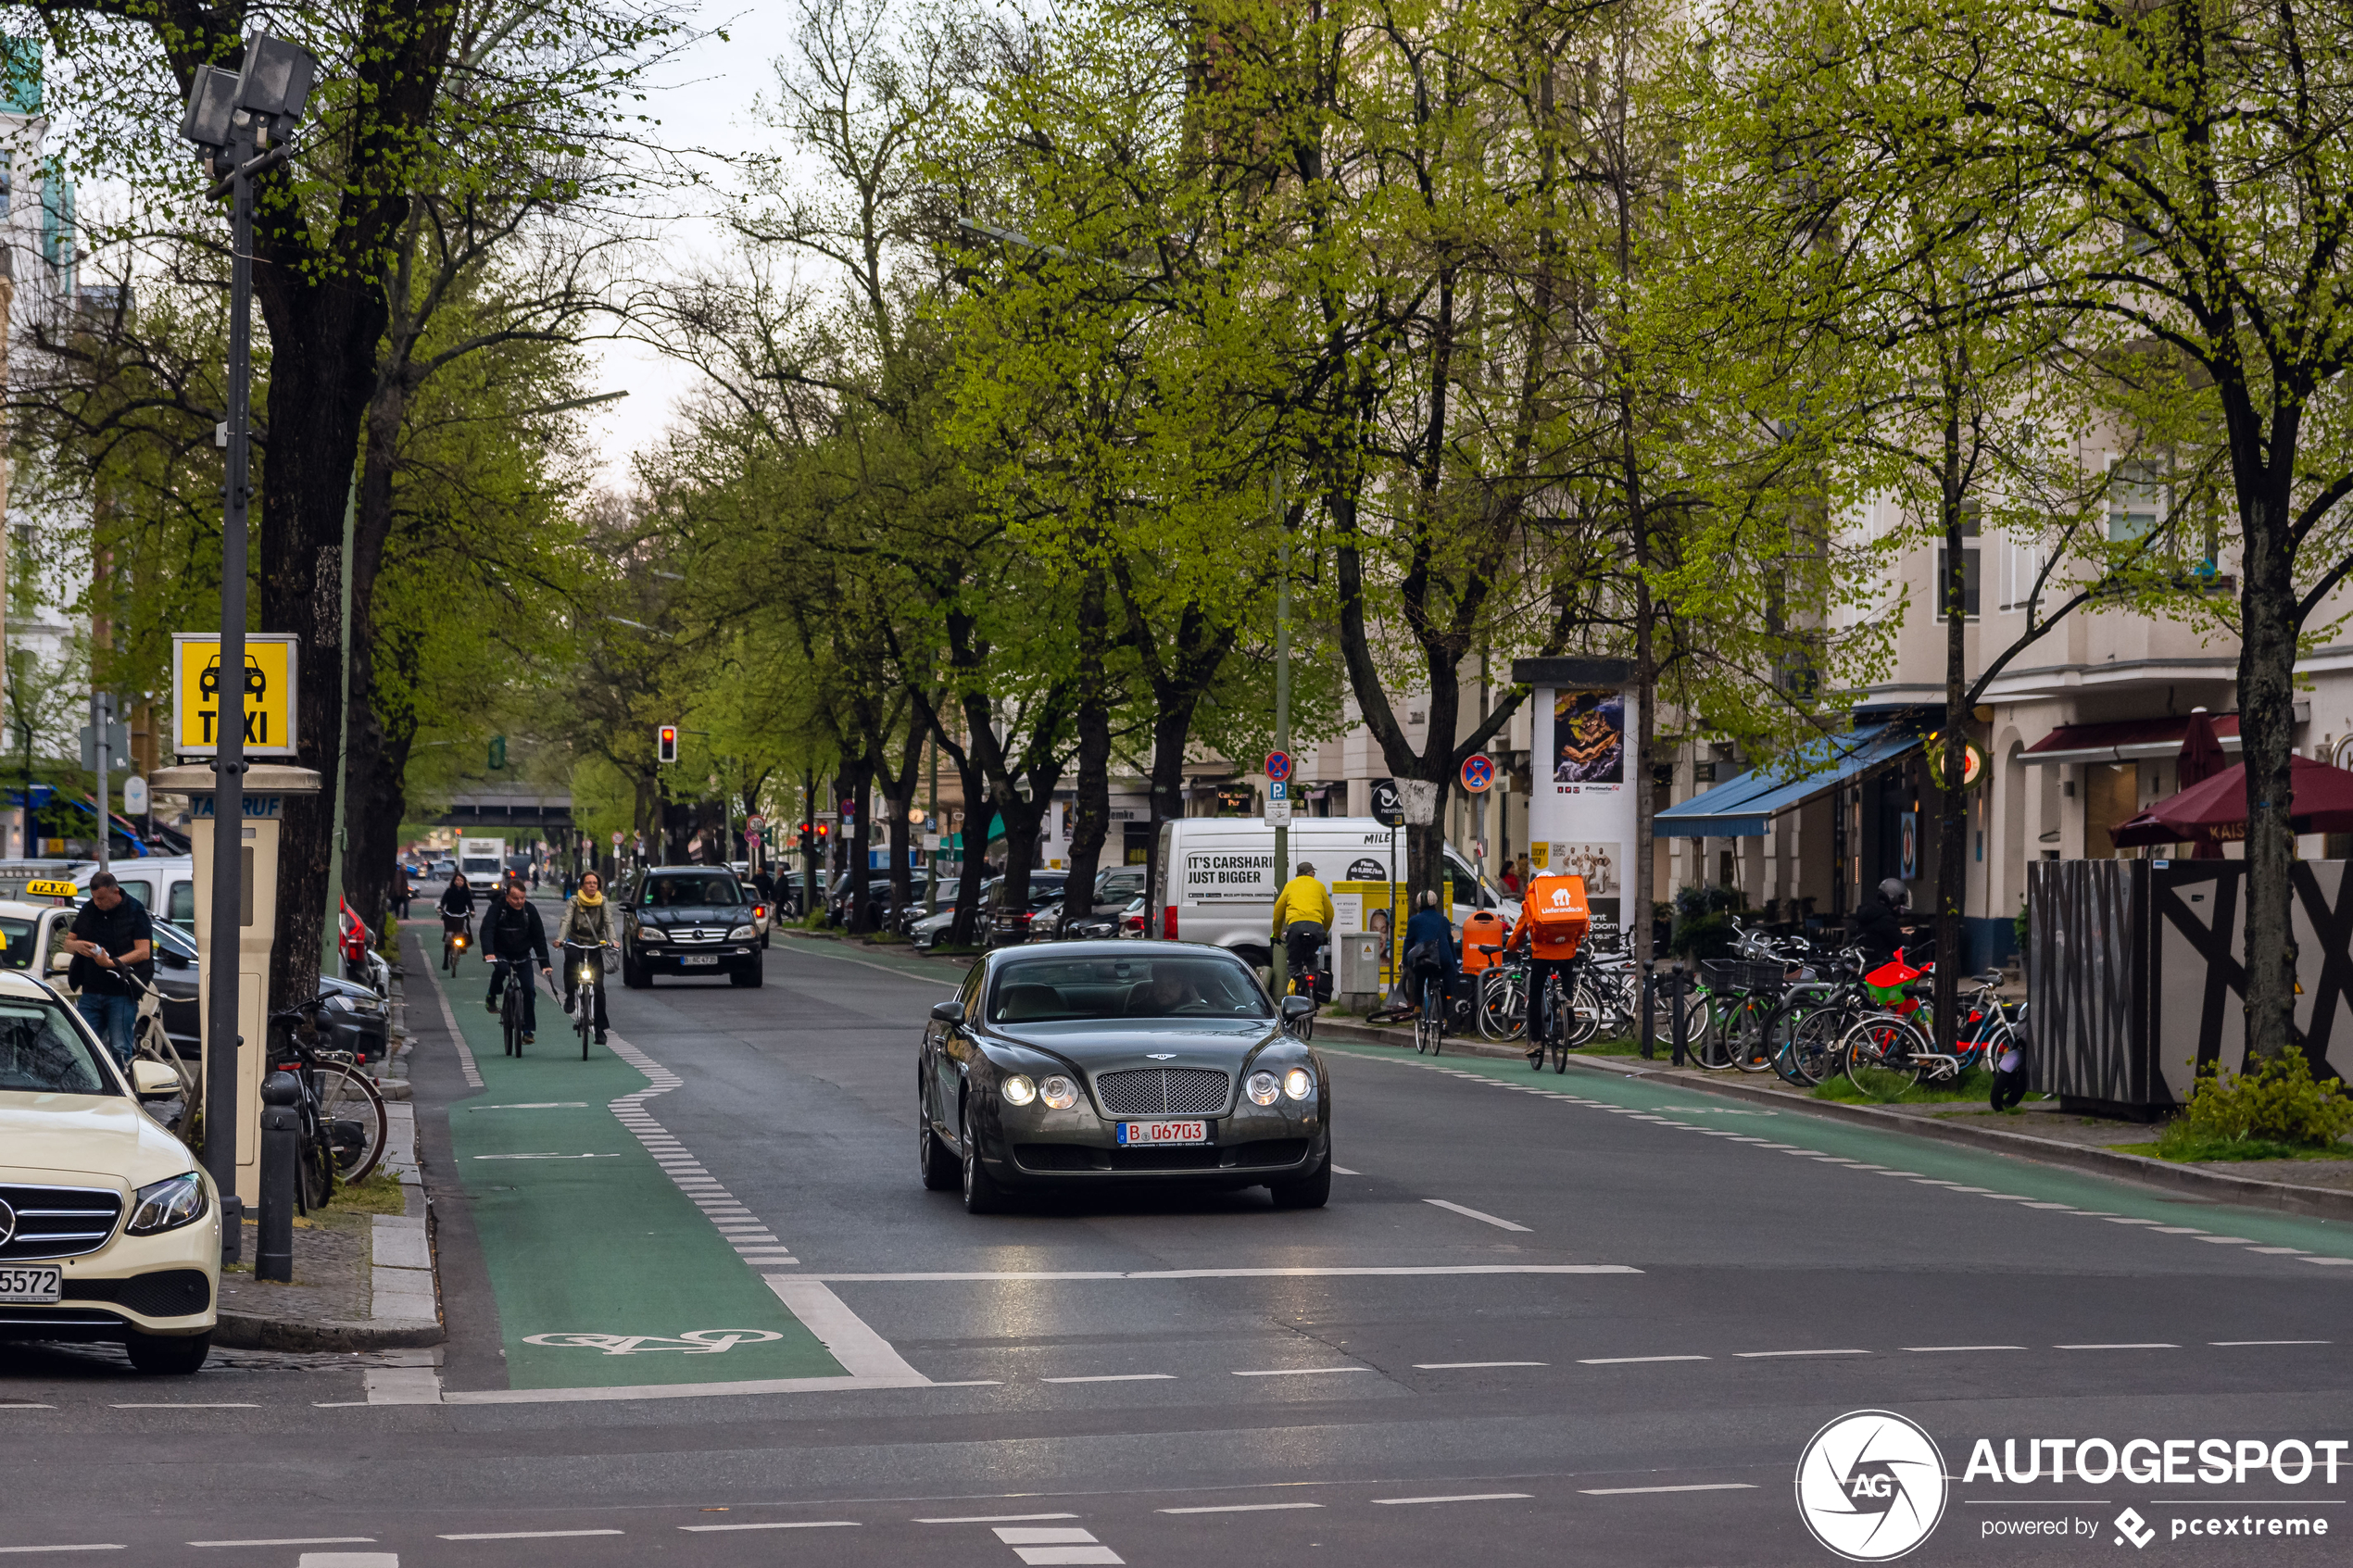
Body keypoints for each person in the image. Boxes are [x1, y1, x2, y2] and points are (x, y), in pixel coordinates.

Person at [63, 871, 153, 1068]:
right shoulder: (89, 909)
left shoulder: (135, 910)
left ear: (116, 892)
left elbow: (143, 952)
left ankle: (122, 1088)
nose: (98, 903)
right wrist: (78, 946)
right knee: (81, 1044)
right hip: (91, 989)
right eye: (94, 898)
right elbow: (67, 943)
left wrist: (112, 962)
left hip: (121, 991)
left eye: (102, 898)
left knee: (120, 1047)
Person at [1504, 870, 1592, 1060]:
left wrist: (1511, 947)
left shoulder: (1532, 904)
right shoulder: (1566, 902)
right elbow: (1582, 924)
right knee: (1567, 977)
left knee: (1534, 997)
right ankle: (1567, 1002)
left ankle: (1536, 1041)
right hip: (1566, 953)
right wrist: (1573, 944)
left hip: (1542, 955)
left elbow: (1520, 931)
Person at [478, 880, 553, 1043]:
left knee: (529, 989)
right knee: (502, 970)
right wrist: (489, 953)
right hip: (501, 951)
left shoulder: (530, 910)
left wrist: (545, 963)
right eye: (515, 898)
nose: (519, 902)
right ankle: (492, 995)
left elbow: (539, 937)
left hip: (522, 953)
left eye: (522, 898)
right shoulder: (497, 909)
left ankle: (528, 1030)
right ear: (507, 897)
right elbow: (487, 930)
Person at [555, 871, 615, 1045]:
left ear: (598, 887)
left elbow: (609, 922)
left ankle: (600, 1030)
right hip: (576, 941)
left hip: (596, 943)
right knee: (571, 960)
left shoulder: (603, 902)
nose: (591, 886)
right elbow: (566, 920)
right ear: (581, 886)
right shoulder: (573, 901)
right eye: (588, 883)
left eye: (594, 883)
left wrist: (613, 941)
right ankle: (570, 995)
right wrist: (560, 939)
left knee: (599, 989)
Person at [1269, 861, 1336, 998]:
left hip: (1295, 927)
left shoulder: (1290, 886)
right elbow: (1329, 913)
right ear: (1310, 873)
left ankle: (1293, 990)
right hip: (1316, 926)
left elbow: (1278, 912)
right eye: (1313, 872)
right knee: (1311, 958)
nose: (1314, 875)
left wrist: (1276, 934)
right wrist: (1324, 932)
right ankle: (1315, 991)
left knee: (1294, 962)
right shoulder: (1320, 886)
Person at [1403, 889, 1457, 1031]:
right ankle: (1445, 1019)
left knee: (1419, 974)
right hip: (1444, 959)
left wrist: (1405, 963)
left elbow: (1408, 943)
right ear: (1435, 903)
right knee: (1445, 988)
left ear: (1419, 905)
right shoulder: (1443, 920)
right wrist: (1453, 963)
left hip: (1425, 958)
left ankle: (1418, 1006)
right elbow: (1450, 942)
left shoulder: (1414, 921)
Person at [1854, 877, 1916, 965]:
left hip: (1866, 961)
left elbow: (1880, 933)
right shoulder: (1886, 918)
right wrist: (1907, 935)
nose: (1898, 908)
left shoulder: (1871, 913)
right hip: (1881, 965)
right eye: (1898, 905)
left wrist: (1899, 930)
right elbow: (1900, 942)